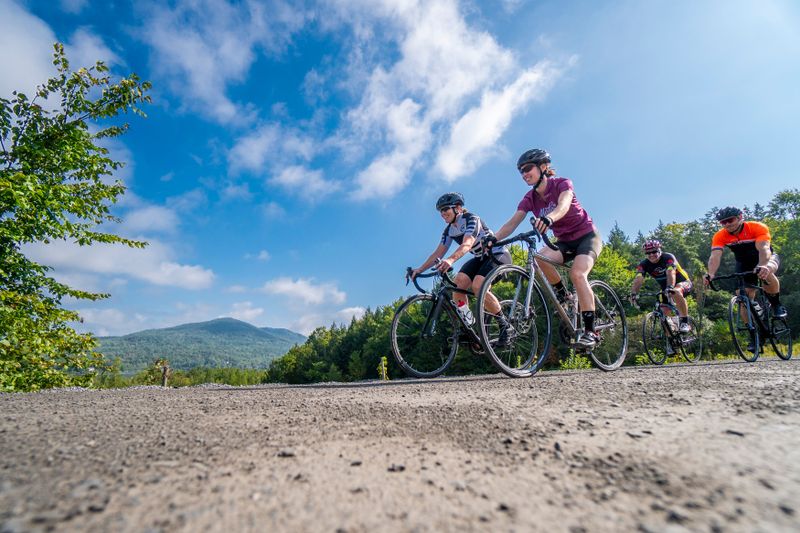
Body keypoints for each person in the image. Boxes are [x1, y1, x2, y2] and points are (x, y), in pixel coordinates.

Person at [488, 148, 603, 348]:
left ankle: (591, 331)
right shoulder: (529, 198)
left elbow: (564, 205)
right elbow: (512, 223)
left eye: (527, 169)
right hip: (564, 241)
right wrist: (493, 239)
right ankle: (565, 296)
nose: (524, 174)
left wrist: (549, 218)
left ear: (543, 167)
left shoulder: (562, 184)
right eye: (520, 171)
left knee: (578, 274)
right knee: (539, 259)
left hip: (587, 237)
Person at [411, 192, 514, 343]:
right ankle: (469, 326)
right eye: (440, 211)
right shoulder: (449, 230)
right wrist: (419, 270)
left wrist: (451, 260)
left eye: (445, 209)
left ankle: (505, 325)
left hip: (497, 254)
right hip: (480, 258)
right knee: (458, 285)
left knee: (478, 285)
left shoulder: (471, 219)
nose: (442, 213)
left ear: (458, 208)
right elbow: (437, 253)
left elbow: (467, 243)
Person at [705, 206, 787, 322]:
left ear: (740, 217)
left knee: (766, 271)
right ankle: (754, 333)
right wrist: (710, 274)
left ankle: (776, 305)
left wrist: (763, 265)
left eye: (730, 220)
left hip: (765, 258)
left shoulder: (756, 227)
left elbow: (764, 249)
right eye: (723, 222)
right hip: (744, 263)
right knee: (743, 298)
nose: (727, 224)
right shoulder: (720, 235)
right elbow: (714, 257)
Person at [629, 240, 693, 334]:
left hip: (682, 282)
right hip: (665, 288)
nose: (651, 255)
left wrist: (670, 286)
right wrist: (633, 293)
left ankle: (684, 322)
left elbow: (671, 272)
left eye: (654, 251)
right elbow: (639, 278)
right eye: (648, 253)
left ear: (659, 250)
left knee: (676, 291)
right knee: (663, 314)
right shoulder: (644, 264)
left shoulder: (668, 257)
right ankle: (671, 341)